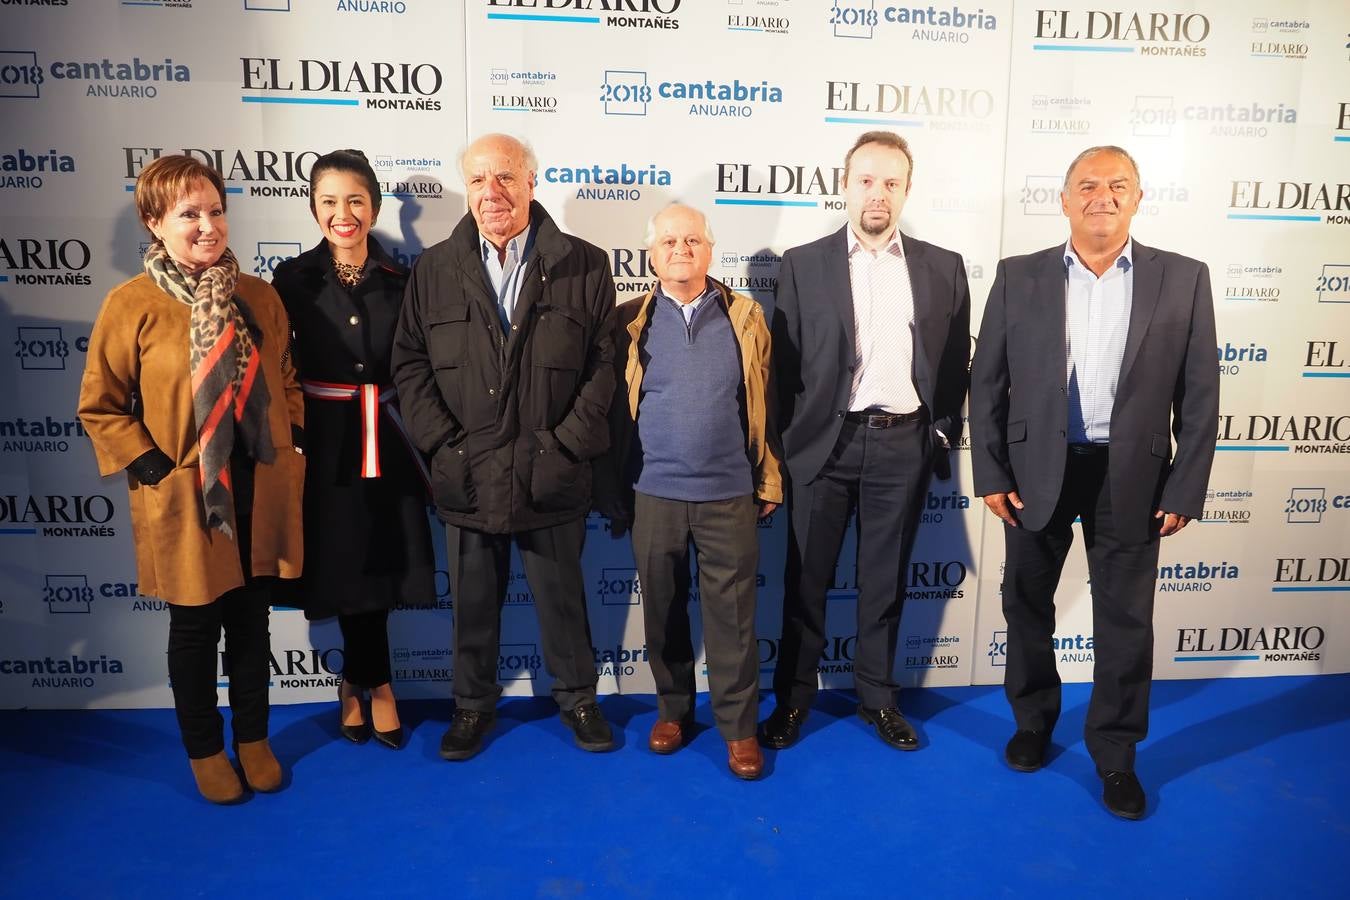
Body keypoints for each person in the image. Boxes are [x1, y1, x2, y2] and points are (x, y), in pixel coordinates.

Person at [969, 145, 1219, 819]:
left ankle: (1115, 755)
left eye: (1117, 185)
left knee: (1126, 625)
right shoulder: (1018, 276)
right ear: (1064, 199)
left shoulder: (1184, 278)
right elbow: (986, 381)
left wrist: (1184, 487)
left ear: (1138, 197)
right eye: (1087, 185)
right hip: (1034, 472)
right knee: (1026, 605)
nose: (1101, 195)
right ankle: (1032, 722)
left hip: (1133, 477)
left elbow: (1199, 397)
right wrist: (989, 469)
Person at [79, 154, 305, 803]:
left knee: (252, 623)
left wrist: (292, 440)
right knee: (196, 628)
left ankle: (255, 739)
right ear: (155, 221)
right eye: (188, 214)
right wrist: (150, 464)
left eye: (214, 210)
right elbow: (100, 403)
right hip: (186, 491)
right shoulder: (132, 306)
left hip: (257, 487)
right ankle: (206, 750)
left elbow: (286, 377)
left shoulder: (258, 295)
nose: (207, 225)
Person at [392, 133, 617, 761]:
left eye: (506, 178)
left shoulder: (584, 263)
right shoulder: (434, 269)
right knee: (471, 605)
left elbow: (605, 363)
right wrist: (444, 447)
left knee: (563, 602)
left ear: (530, 182)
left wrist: (566, 445)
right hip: (467, 473)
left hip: (551, 473)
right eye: (478, 180)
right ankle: (470, 708)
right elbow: (409, 365)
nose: (491, 193)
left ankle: (577, 699)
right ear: (465, 188)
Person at [765, 131, 971, 752]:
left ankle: (878, 700)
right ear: (844, 184)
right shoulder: (803, 263)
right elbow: (783, 368)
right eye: (865, 180)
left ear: (907, 189)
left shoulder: (943, 266)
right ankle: (793, 701)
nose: (876, 194)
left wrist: (937, 430)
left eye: (891, 182)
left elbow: (956, 360)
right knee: (807, 581)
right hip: (823, 449)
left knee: (885, 582)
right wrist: (784, 449)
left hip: (902, 445)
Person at [598, 204, 783, 780]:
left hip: (729, 492)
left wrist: (768, 476)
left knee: (733, 619)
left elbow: (768, 407)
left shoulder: (747, 317)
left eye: (694, 240)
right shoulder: (628, 320)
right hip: (652, 493)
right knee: (663, 612)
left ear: (710, 249)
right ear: (650, 254)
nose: (682, 249)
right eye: (670, 241)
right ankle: (673, 711)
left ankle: (739, 730)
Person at [270, 149, 436, 751]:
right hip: (324, 443)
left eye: (355, 200)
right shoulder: (290, 281)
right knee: (342, 566)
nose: (344, 214)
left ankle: (368, 684)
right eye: (330, 201)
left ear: (374, 207)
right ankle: (368, 683)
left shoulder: (403, 281)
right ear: (314, 208)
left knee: (380, 565)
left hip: (387, 437)